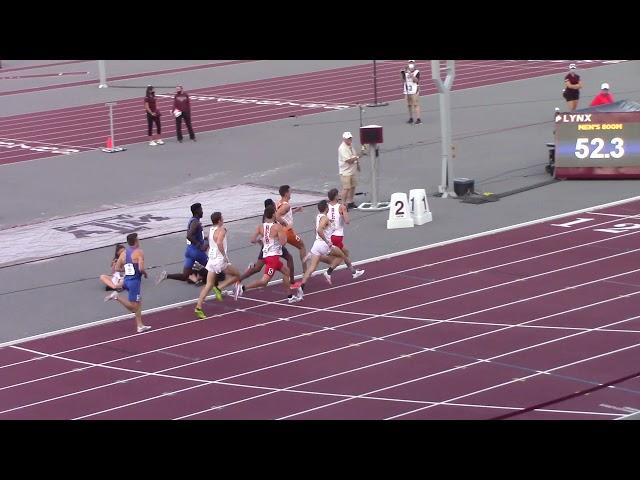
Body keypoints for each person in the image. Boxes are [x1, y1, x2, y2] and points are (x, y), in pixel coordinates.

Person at [234, 204, 303, 304]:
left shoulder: (260, 226)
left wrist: (262, 240)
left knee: (286, 272)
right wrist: (282, 234)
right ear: (274, 214)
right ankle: (243, 288)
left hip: (265, 255)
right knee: (264, 282)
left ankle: (290, 296)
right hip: (273, 257)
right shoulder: (277, 227)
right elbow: (283, 242)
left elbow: (252, 240)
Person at [295, 200, 364, 291]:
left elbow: (316, 229)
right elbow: (319, 230)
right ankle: (337, 272)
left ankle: (301, 287)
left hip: (316, 244)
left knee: (311, 268)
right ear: (326, 208)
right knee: (342, 256)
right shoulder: (325, 219)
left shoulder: (318, 217)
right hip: (324, 245)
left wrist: (327, 226)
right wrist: (327, 241)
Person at [194, 212, 242, 319]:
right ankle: (219, 288)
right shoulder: (222, 229)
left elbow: (210, 241)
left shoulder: (211, 230)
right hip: (220, 260)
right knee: (237, 275)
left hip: (211, 260)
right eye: (222, 218)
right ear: (219, 220)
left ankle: (198, 307)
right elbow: (219, 243)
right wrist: (224, 256)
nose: (223, 219)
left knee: (208, 285)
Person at [237, 198, 296, 285]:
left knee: (257, 268)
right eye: (273, 204)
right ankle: (292, 281)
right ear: (272, 207)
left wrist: (259, 241)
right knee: (289, 258)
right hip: (273, 245)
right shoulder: (272, 216)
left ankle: (239, 279)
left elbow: (260, 234)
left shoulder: (266, 217)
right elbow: (280, 225)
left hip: (267, 246)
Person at [156, 202, 213, 288]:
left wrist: (204, 238)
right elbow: (189, 236)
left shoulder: (192, 220)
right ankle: (213, 287)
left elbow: (193, 235)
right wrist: (199, 245)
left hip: (189, 251)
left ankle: (167, 275)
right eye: (201, 210)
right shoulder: (196, 223)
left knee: (185, 276)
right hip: (196, 252)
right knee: (214, 270)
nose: (202, 212)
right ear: (197, 211)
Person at [104, 233, 151, 333]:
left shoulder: (124, 253)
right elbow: (141, 268)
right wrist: (145, 273)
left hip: (126, 280)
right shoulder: (139, 252)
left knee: (139, 302)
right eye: (138, 239)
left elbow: (117, 268)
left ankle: (140, 325)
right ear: (136, 241)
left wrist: (127, 269)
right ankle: (116, 296)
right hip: (134, 282)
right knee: (134, 307)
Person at [276, 185, 309, 275]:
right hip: (287, 232)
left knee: (278, 254)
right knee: (302, 246)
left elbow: (285, 215)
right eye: (290, 192)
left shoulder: (279, 203)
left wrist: (295, 210)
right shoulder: (286, 206)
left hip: (281, 232)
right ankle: (305, 271)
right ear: (286, 193)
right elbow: (277, 216)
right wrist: (284, 224)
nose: (291, 194)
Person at [327, 188, 352, 258]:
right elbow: (347, 221)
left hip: (328, 234)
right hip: (337, 235)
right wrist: (345, 211)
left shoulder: (326, 206)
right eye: (338, 195)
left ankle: (349, 268)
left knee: (345, 252)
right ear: (335, 197)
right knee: (337, 258)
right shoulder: (341, 207)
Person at [338, 132, 360, 210]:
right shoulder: (342, 148)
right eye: (348, 138)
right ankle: (342, 204)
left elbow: (353, 155)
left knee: (353, 186)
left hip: (352, 171)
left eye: (350, 138)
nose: (350, 139)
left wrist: (357, 165)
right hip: (345, 172)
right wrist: (357, 158)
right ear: (344, 139)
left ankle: (350, 202)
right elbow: (349, 160)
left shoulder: (350, 146)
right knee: (346, 188)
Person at [401, 60, 421, 124]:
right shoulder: (405, 71)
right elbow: (403, 80)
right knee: (409, 105)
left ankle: (418, 119)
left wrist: (410, 74)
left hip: (414, 89)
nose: (411, 64)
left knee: (415, 104)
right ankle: (411, 118)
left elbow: (416, 80)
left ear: (414, 64)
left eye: (412, 63)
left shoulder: (417, 71)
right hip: (407, 90)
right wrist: (402, 74)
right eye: (410, 63)